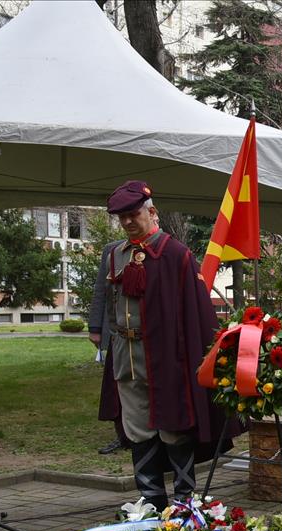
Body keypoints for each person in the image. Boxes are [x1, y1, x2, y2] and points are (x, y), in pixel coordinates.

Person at [88, 180, 221, 509]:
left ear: (152, 212)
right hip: (127, 356)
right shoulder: (116, 255)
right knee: (137, 428)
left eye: (133, 215)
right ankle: (150, 502)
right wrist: (104, 335)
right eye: (122, 217)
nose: (127, 222)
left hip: (167, 358)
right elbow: (111, 303)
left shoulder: (176, 254)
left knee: (174, 427)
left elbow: (195, 311)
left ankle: (184, 502)